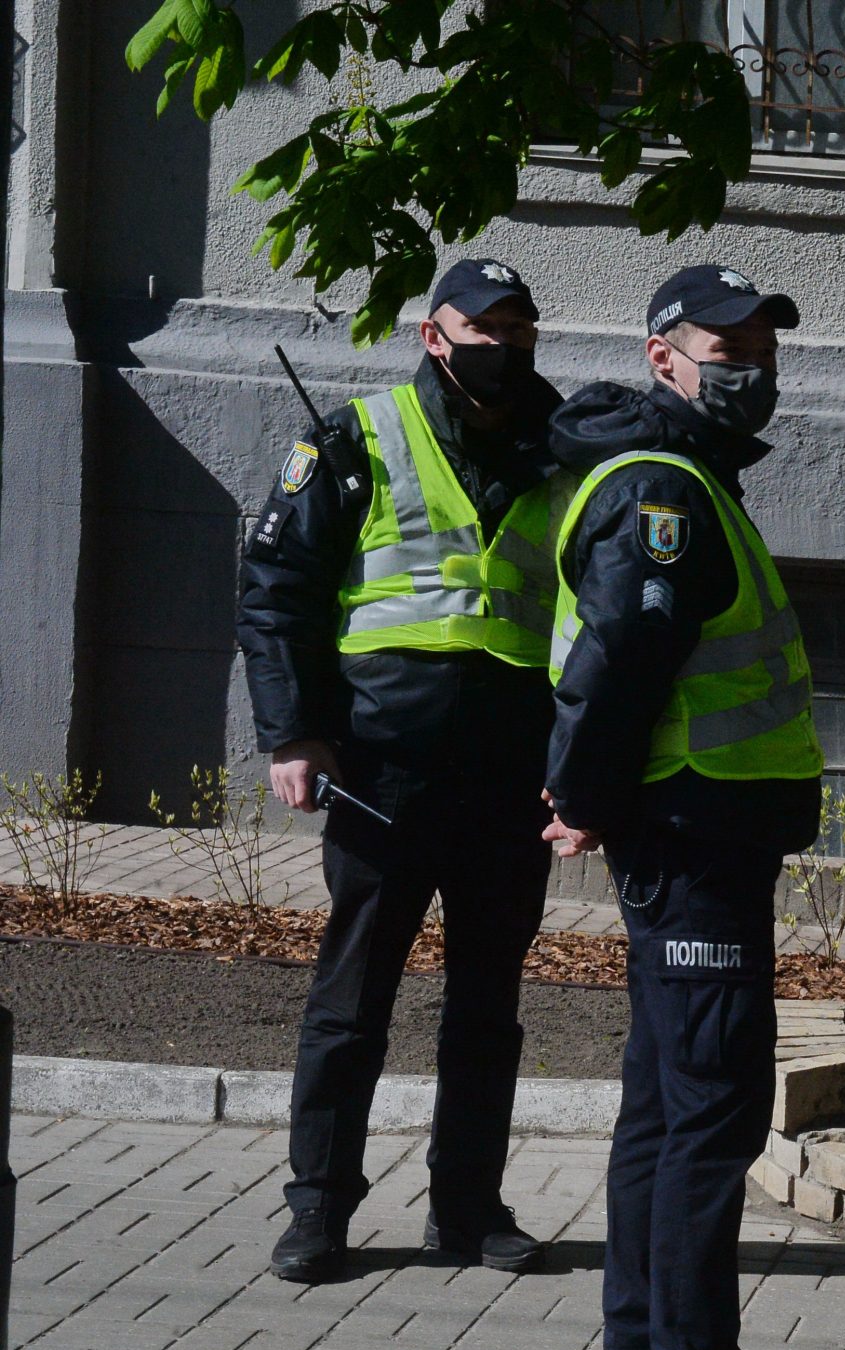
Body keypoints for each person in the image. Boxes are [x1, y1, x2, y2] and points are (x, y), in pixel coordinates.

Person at [541, 264, 824, 1350]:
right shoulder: (661, 490)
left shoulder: (688, 477)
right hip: (691, 837)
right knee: (714, 1112)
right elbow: (621, 658)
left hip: (702, 836)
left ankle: (640, 1348)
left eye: (763, 346)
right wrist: (584, 797)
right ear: (663, 355)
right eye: (726, 345)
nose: (748, 366)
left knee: (665, 1101)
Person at [239, 257, 565, 1285]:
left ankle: (467, 1210)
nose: (503, 346)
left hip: (513, 775)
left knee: (487, 1007)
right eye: (484, 327)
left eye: (520, 329)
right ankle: (319, 1211)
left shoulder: (563, 446)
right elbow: (278, 589)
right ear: (434, 334)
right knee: (352, 1002)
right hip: (383, 769)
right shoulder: (357, 435)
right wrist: (294, 734)